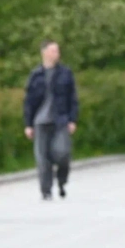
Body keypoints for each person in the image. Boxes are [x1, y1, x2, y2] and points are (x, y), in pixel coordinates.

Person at [23, 41, 79, 199]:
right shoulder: (35, 75)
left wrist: (72, 119)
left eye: (58, 51)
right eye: (53, 51)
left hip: (60, 119)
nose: (57, 53)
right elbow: (29, 102)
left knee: (62, 153)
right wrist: (28, 124)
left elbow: (72, 98)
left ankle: (62, 179)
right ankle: (45, 190)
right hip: (40, 121)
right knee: (42, 158)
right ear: (45, 53)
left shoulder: (65, 73)